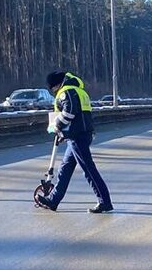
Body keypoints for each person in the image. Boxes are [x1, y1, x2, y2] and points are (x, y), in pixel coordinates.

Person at [34, 70, 113, 213]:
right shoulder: (78, 90)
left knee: (89, 170)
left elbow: (70, 112)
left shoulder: (67, 91)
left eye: (51, 88)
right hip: (79, 134)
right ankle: (53, 200)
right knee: (65, 168)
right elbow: (80, 116)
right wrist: (64, 132)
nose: (52, 91)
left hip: (78, 136)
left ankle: (105, 201)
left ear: (55, 85)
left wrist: (57, 125)